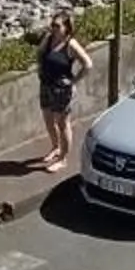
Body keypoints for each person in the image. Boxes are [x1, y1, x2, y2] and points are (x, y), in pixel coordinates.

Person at [36, 11, 93, 173]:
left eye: (57, 26)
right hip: (46, 85)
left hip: (62, 89)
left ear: (66, 27)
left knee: (62, 124)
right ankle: (55, 147)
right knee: (48, 119)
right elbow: (40, 53)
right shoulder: (48, 40)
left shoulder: (70, 44)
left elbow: (88, 64)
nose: (53, 28)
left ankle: (63, 158)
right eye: (52, 25)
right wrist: (41, 69)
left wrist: (73, 81)